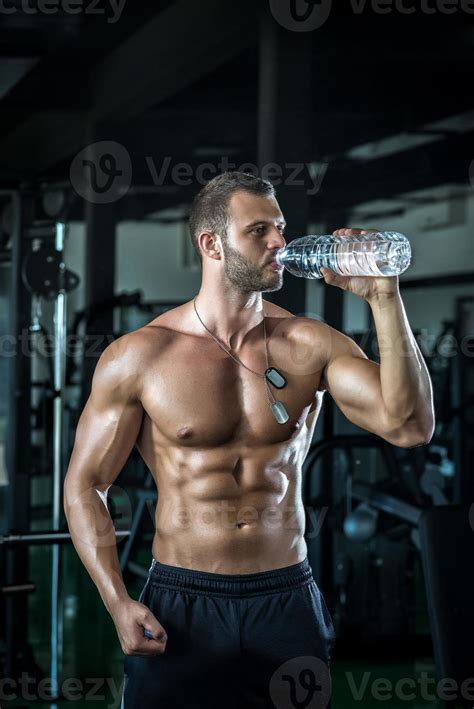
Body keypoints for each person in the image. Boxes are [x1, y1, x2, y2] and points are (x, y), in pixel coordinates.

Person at [64, 171, 435, 708]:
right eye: (259, 230)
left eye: (280, 228)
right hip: (182, 599)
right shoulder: (140, 356)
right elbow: (85, 485)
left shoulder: (309, 344)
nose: (279, 243)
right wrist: (117, 600)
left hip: (285, 599)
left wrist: (383, 297)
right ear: (211, 244)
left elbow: (411, 426)